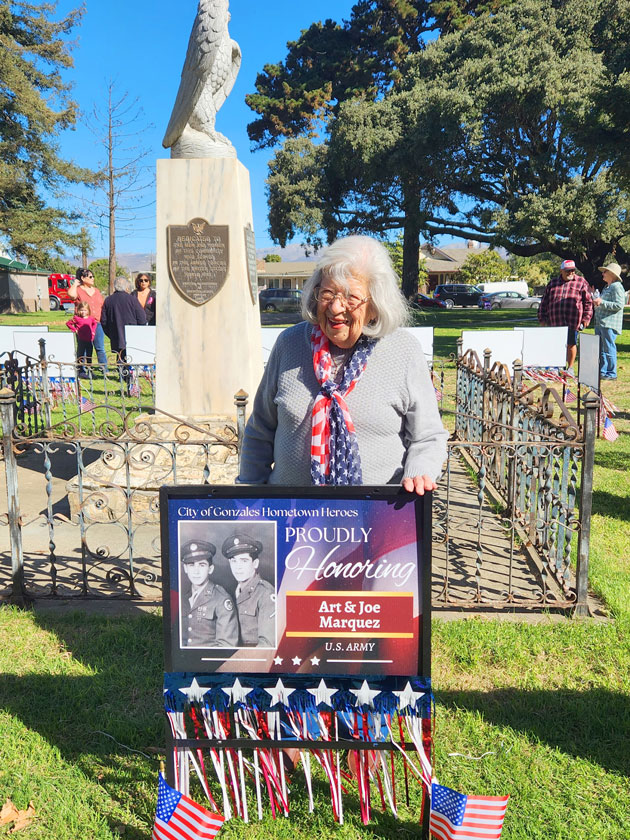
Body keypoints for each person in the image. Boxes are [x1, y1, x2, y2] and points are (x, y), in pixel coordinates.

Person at [238, 235, 448, 493]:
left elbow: (428, 437)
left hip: (376, 519)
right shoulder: (289, 345)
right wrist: (248, 495)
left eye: (351, 296)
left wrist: (419, 473)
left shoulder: (403, 352)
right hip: (290, 517)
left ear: (375, 303)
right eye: (327, 293)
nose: (336, 307)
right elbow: (259, 432)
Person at [180, 539, 239, 647]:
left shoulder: (221, 599)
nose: (196, 571)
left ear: (210, 569)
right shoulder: (183, 598)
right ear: (185, 568)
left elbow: (227, 645)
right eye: (191, 565)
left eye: (202, 565)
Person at [537, 259, 594, 371]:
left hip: (573, 320)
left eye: (572, 270)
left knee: (571, 344)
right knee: (556, 344)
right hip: (555, 321)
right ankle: (557, 366)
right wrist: (542, 317)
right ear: (561, 271)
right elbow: (544, 301)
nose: (570, 273)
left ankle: (570, 368)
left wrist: (586, 318)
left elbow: (588, 302)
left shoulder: (581, 282)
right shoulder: (553, 283)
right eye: (568, 271)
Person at [222, 532, 275, 647]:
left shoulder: (266, 594)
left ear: (255, 563)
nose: (238, 566)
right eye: (234, 561)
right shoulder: (229, 592)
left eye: (244, 560)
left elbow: (267, 645)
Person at [100, 276, 147, 389]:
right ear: (126, 286)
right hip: (132, 334)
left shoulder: (108, 300)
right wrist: (138, 331)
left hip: (116, 333)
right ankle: (130, 380)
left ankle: (122, 377)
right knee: (130, 358)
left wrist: (110, 334)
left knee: (120, 356)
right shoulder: (132, 299)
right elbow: (142, 318)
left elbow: (104, 321)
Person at [67, 268, 108, 369]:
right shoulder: (78, 290)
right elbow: (71, 295)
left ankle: (104, 368)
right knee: (83, 347)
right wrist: (75, 284)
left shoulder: (97, 291)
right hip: (83, 323)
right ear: (82, 278)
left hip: (97, 323)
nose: (93, 278)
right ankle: (82, 368)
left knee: (100, 347)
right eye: (90, 277)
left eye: (93, 276)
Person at [593, 262, 625, 380]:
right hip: (601, 322)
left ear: (612, 274)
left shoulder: (617, 286)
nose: (603, 273)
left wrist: (602, 302)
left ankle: (611, 373)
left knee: (608, 348)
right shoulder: (607, 287)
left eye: (605, 271)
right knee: (601, 349)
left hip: (609, 323)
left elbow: (619, 305)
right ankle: (603, 371)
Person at [66, 301, 99, 378]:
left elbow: (94, 324)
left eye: (85, 310)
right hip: (81, 340)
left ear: (88, 311)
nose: (83, 312)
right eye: (81, 310)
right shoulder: (76, 318)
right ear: (78, 310)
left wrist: (93, 332)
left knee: (89, 356)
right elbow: (68, 323)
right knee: (80, 355)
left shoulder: (91, 318)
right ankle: (80, 371)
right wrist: (75, 330)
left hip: (89, 339)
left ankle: (90, 370)